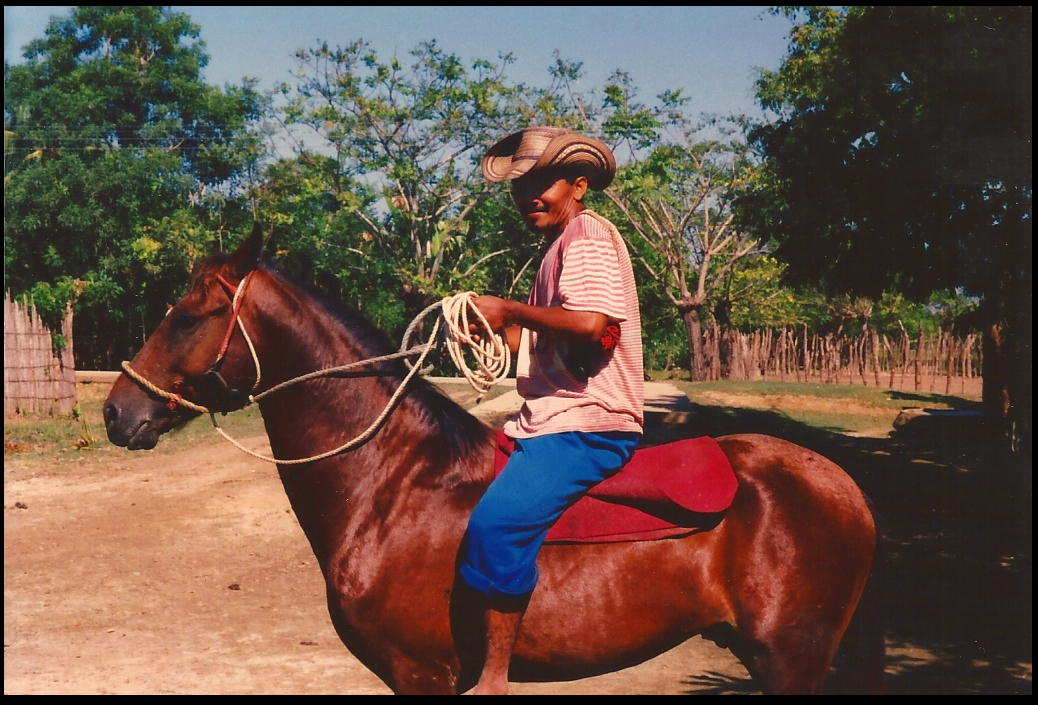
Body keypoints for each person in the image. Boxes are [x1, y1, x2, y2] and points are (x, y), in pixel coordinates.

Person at [461, 126, 644, 694]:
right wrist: (488, 332)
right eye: (520, 188)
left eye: (543, 183)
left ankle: (493, 678)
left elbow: (594, 327)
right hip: (548, 417)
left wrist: (510, 308)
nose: (529, 197)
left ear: (578, 186)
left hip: (590, 422)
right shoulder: (556, 251)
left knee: (495, 524)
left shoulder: (586, 238)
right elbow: (544, 346)